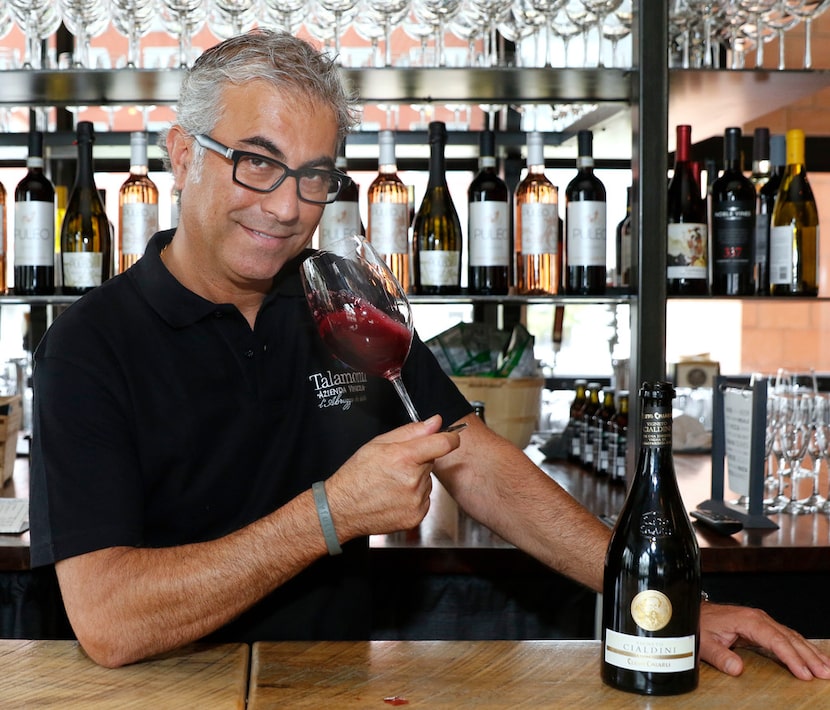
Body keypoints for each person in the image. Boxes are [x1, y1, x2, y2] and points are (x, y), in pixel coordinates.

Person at [28, 30, 830, 680]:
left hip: (334, 683)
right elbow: (109, 620)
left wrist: (663, 593)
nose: (286, 207)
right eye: (257, 161)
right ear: (181, 153)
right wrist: (329, 516)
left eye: (314, 176)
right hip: (161, 695)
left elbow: (478, 465)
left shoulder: (340, 304)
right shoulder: (90, 346)